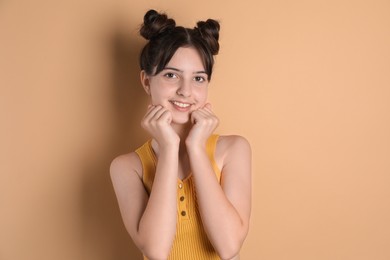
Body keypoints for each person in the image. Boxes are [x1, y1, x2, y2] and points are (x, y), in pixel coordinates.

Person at [110, 9, 251, 260]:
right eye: (171, 75)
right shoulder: (127, 167)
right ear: (146, 81)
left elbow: (229, 247)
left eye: (198, 78)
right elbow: (156, 251)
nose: (186, 91)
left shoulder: (233, 149)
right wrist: (169, 149)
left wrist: (196, 147)